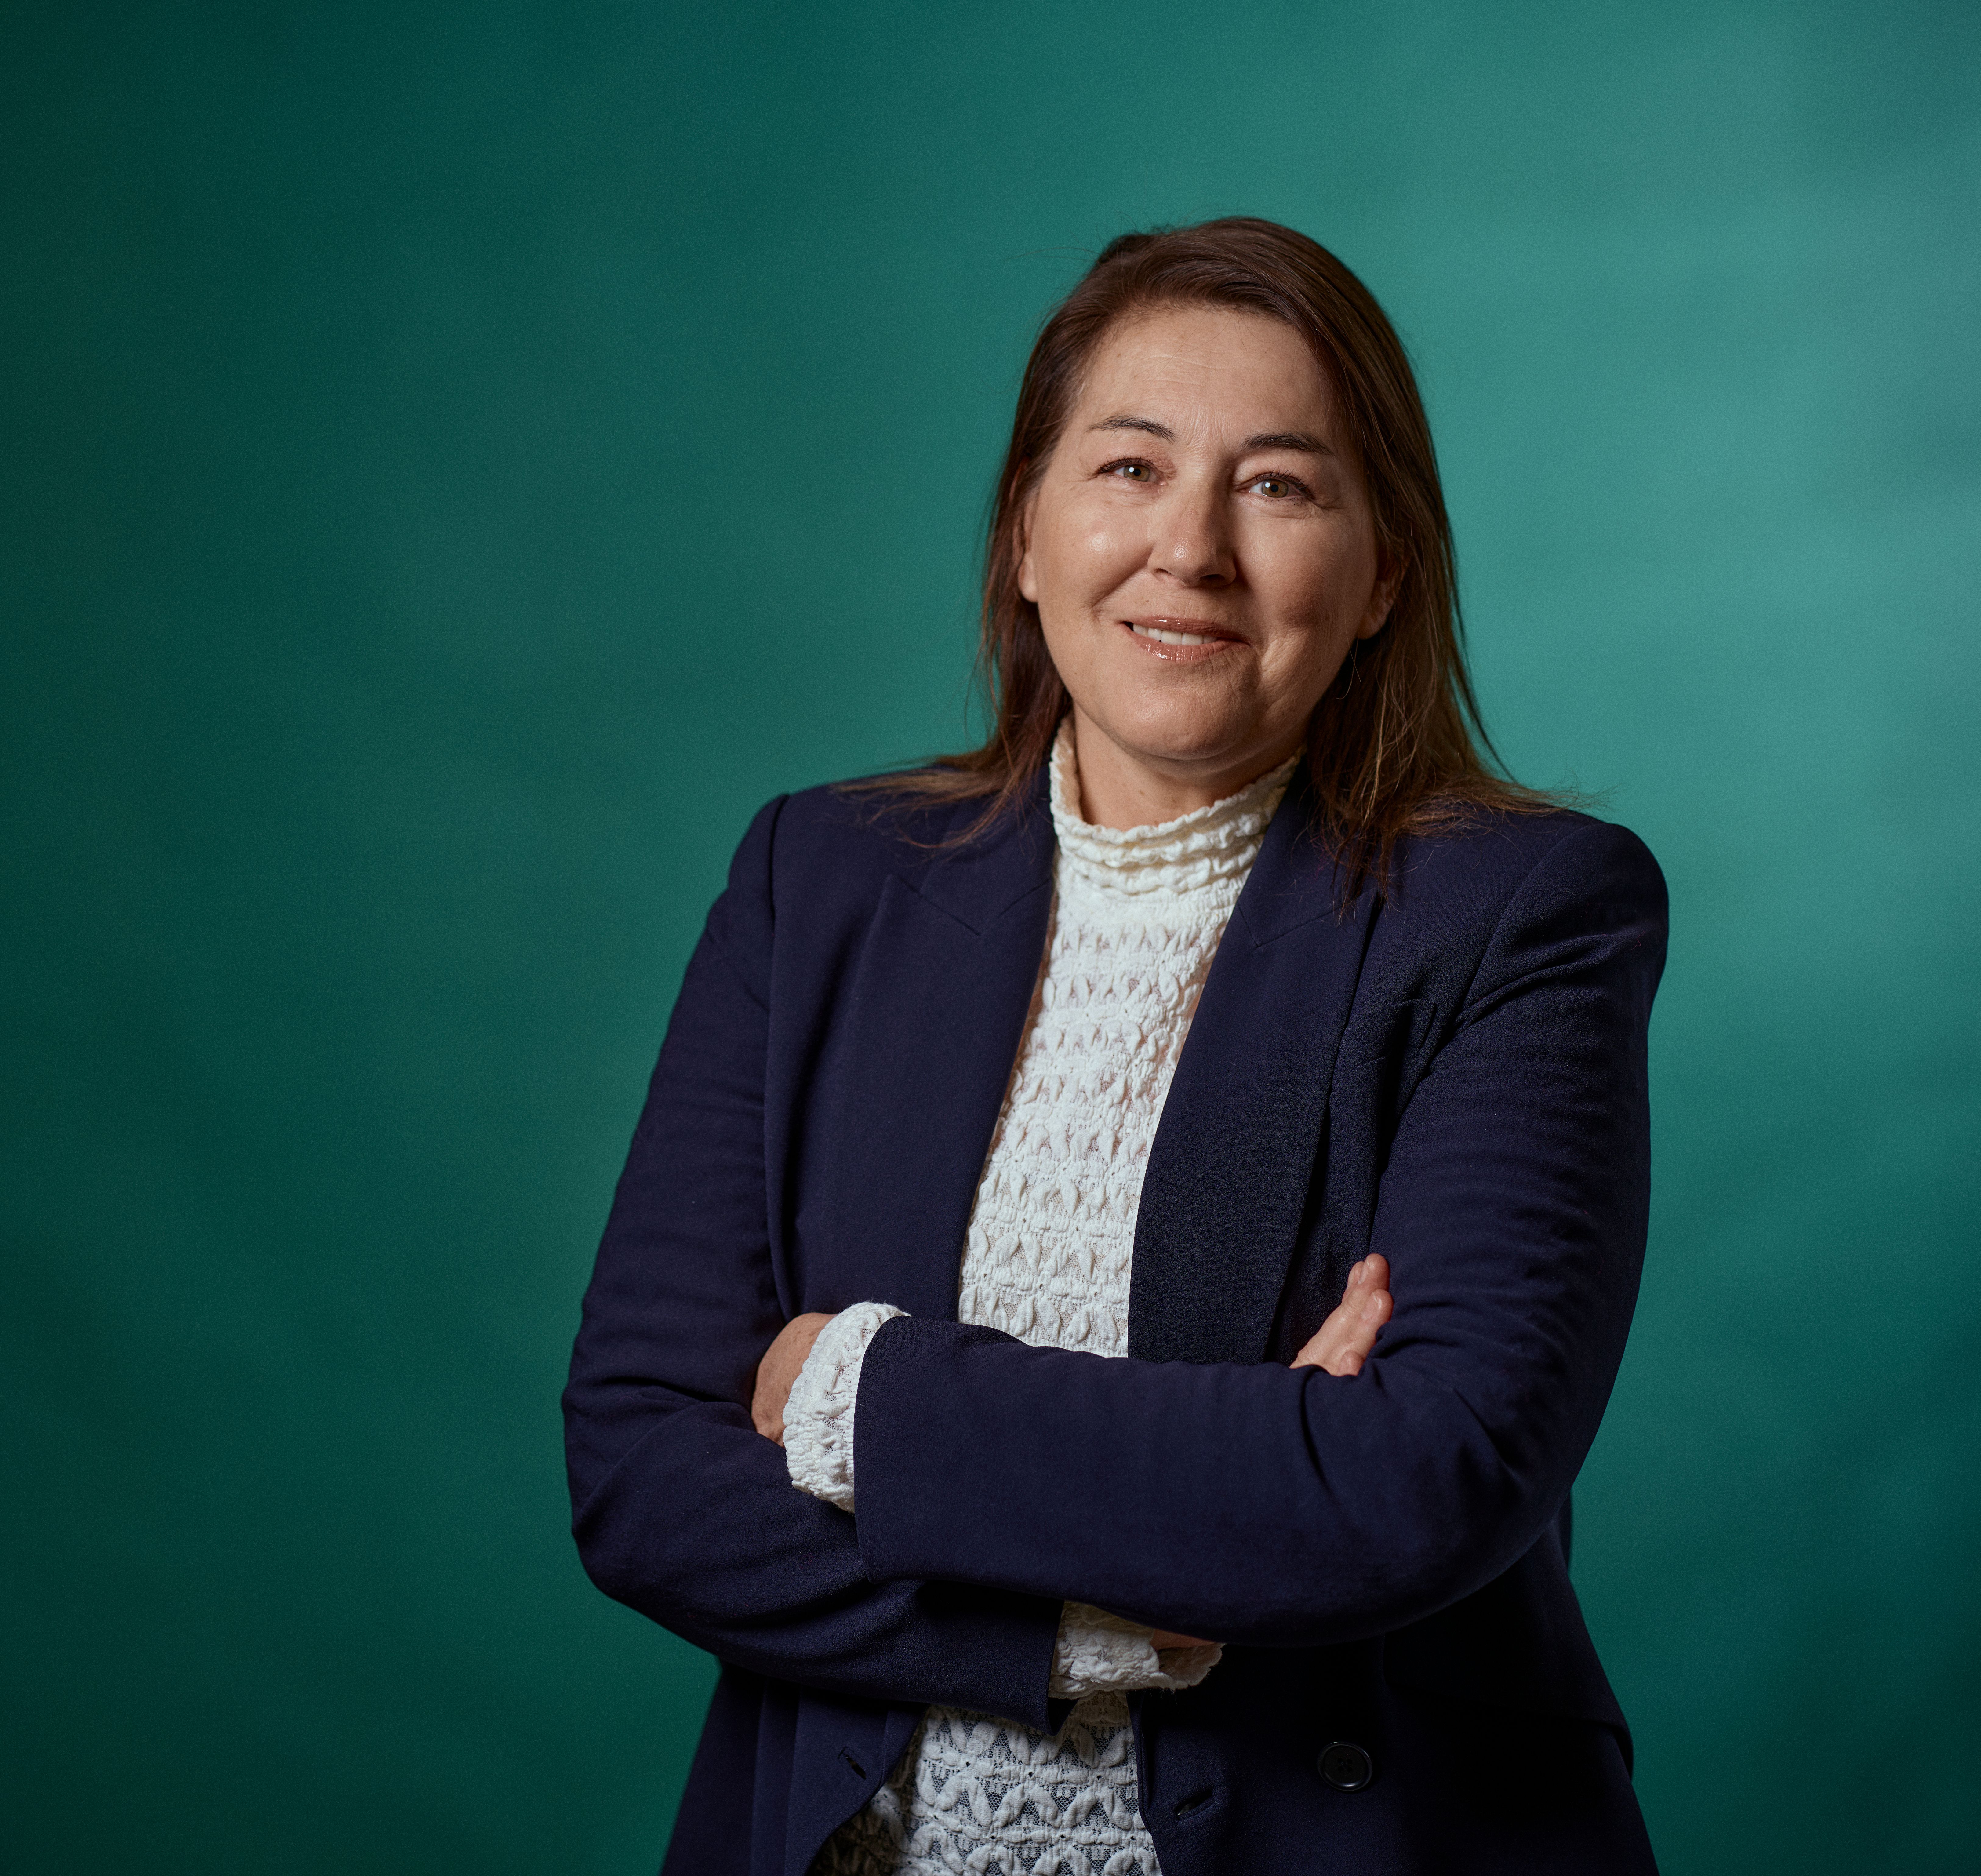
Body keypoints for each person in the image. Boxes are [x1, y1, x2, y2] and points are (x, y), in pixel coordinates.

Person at [563, 216, 1667, 1876]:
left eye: (1281, 486)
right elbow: (643, 1469)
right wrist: (1137, 1602)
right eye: (1130, 467)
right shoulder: (822, 880)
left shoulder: (1523, 917)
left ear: (1382, 577)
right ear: (1024, 532)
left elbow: (1419, 1479)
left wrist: (850, 1390)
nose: (1192, 550)